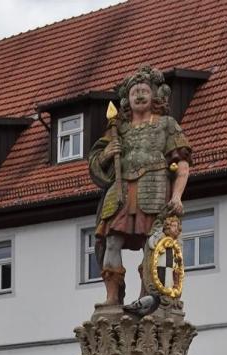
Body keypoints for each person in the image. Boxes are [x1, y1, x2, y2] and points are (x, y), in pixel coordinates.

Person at [88, 65, 192, 306]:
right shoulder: (118, 130)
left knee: (152, 243)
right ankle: (113, 296)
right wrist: (106, 155)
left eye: (144, 90)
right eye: (135, 91)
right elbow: (96, 161)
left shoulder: (167, 124)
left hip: (154, 187)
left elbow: (183, 164)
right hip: (121, 190)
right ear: (127, 98)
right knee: (111, 240)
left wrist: (177, 197)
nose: (140, 95)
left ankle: (148, 295)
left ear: (155, 95)